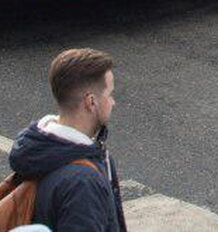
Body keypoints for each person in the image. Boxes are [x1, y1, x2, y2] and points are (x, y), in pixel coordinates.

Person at [8, 48, 128, 232]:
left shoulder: (40, 149)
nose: (113, 102)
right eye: (109, 94)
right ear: (91, 102)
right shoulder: (82, 183)